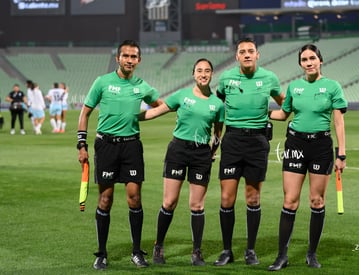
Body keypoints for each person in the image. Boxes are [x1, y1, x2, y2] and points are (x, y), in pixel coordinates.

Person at [77, 39, 163, 270]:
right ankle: (102, 253)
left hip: (132, 146)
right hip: (106, 146)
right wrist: (81, 145)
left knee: (134, 198)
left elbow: (160, 106)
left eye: (134, 57)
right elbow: (85, 113)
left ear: (139, 60)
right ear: (118, 58)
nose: (130, 60)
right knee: (105, 199)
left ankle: (137, 252)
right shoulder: (102, 82)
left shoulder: (142, 86)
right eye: (126, 56)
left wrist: (138, 116)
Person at [267, 44, 347, 271]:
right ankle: (282, 256)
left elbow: (339, 122)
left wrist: (341, 153)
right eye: (304, 59)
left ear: (320, 60)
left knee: (316, 201)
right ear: (300, 64)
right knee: (290, 201)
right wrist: (258, 111)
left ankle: (311, 254)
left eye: (312, 58)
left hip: (321, 146)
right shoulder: (294, 87)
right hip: (296, 144)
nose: (309, 62)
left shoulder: (332, 86)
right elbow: (283, 114)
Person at [139, 58, 224, 266]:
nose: (203, 74)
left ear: (212, 74)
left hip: (201, 154)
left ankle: (196, 252)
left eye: (207, 71)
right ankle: (158, 246)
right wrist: (129, 117)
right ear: (193, 74)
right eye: (199, 71)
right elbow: (155, 111)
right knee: (169, 202)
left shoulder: (218, 104)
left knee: (197, 205)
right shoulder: (181, 96)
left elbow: (218, 132)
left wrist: (212, 151)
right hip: (178, 150)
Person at [213, 37, 285, 266]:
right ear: (236, 56)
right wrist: (215, 138)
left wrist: (265, 116)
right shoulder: (226, 78)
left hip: (257, 141)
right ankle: (226, 250)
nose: (246, 54)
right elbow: (217, 108)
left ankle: (250, 250)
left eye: (250, 51)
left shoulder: (269, 78)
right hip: (232, 140)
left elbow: (285, 105)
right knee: (226, 198)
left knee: (253, 198)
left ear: (257, 55)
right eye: (242, 51)